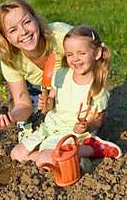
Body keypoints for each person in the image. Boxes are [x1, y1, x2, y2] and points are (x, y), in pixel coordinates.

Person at [10, 25, 122, 165]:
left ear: (97, 53)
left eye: (81, 53)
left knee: (43, 160)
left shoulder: (97, 88)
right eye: (70, 54)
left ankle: (92, 148)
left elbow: (100, 119)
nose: (75, 59)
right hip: (51, 127)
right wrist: (46, 103)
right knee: (16, 154)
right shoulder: (60, 75)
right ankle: (73, 158)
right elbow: (51, 102)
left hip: (74, 133)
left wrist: (87, 127)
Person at [0, 0, 73, 161]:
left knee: (72, 127)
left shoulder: (61, 36)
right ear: (6, 37)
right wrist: (12, 117)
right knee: (26, 141)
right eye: (13, 30)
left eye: (26, 22)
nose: (23, 32)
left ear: (36, 19)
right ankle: (51, 157)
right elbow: (23, 104)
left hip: (73, 87)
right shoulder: (10, 58)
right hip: (40, 91)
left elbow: (96, 55)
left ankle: (81, 149)